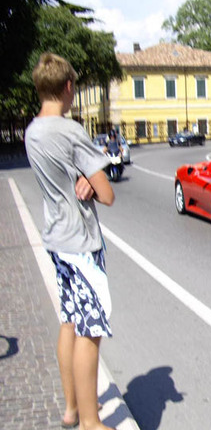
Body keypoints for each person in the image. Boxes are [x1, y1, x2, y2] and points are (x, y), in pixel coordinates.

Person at [24, 52, 115, 430]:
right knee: (90, 329)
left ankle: (71, 409)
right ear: (67, 87)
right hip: (81, 243)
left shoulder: (31, 132)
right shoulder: (69, 130)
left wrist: (81, 178)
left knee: (68, 322)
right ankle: (91, 423)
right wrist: (91, 184)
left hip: (56, 239)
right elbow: (107, 194)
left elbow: (64, 179)